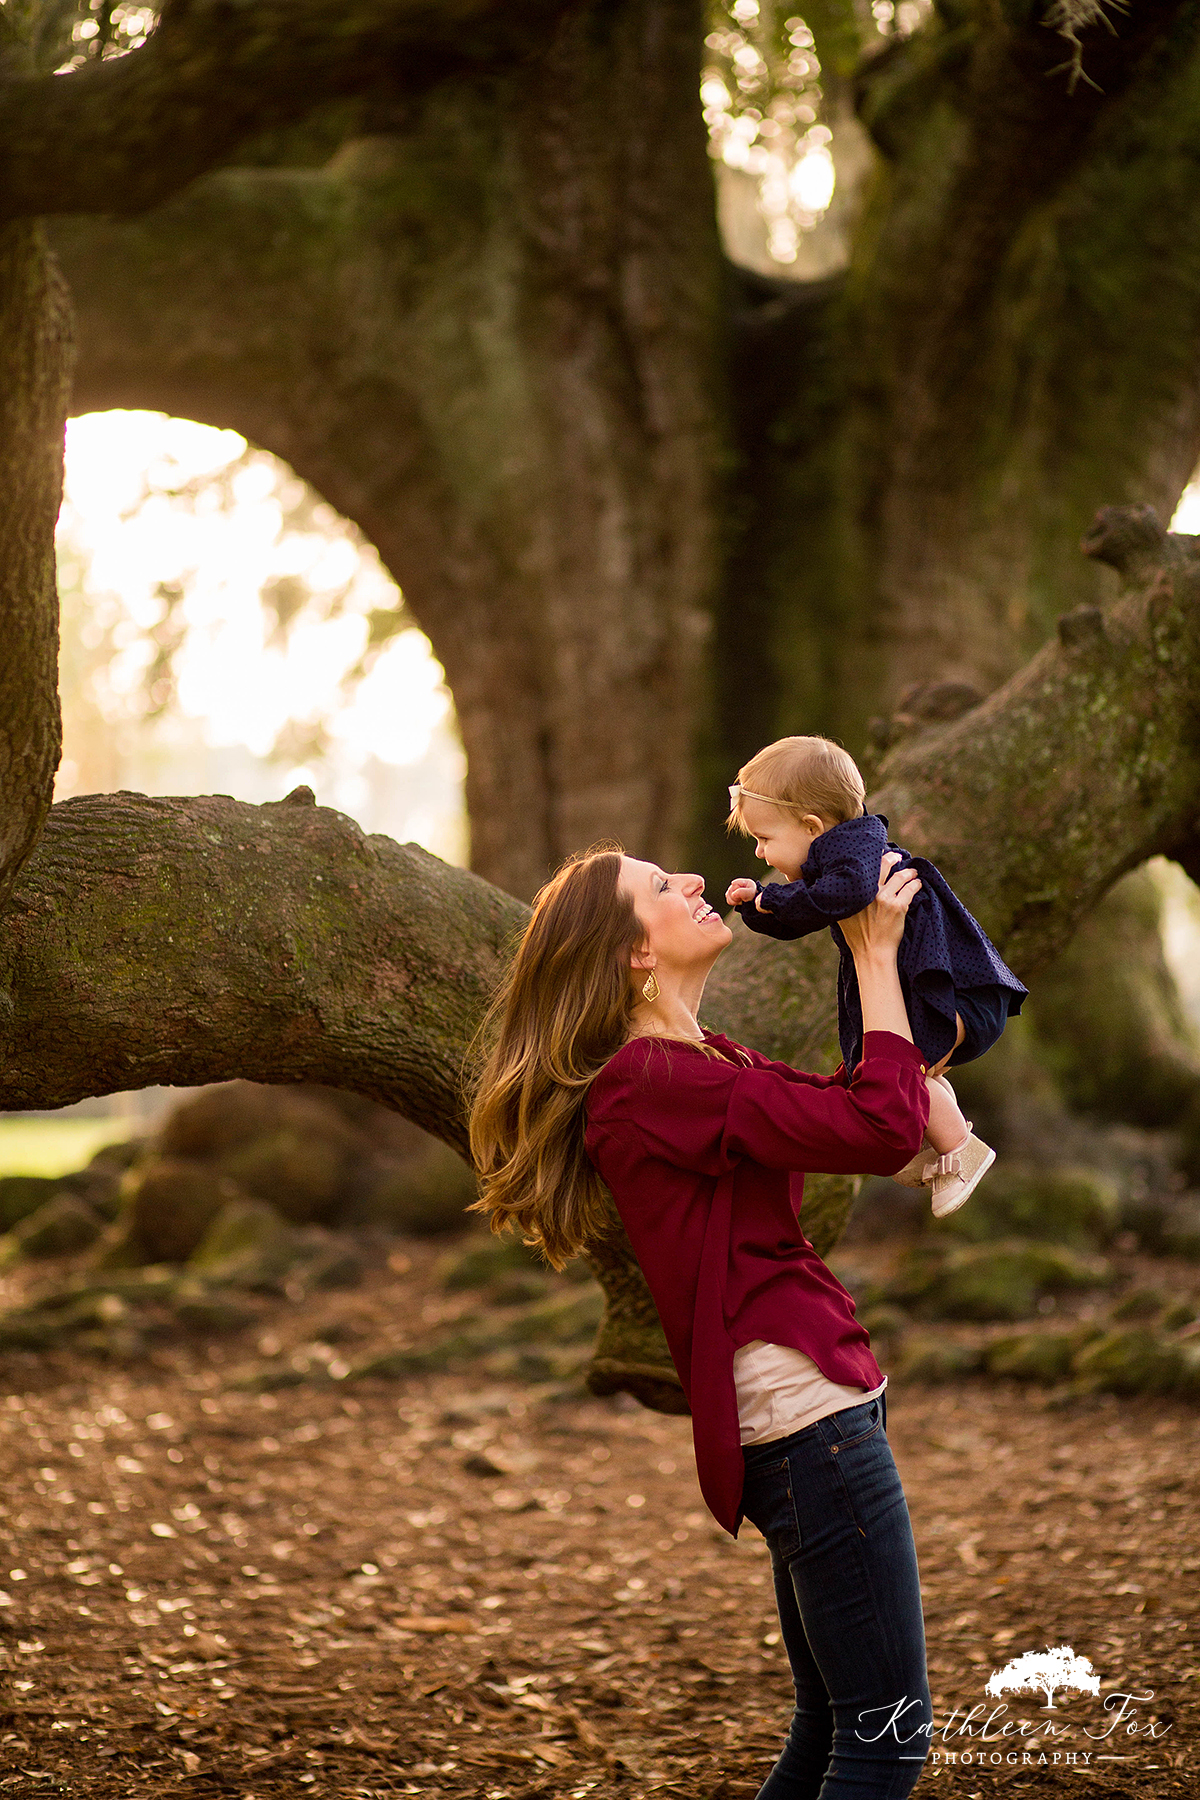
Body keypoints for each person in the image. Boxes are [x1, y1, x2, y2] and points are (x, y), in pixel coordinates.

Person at [470, 843, 934, 1799]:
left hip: (813, 1421)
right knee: (886, 1746)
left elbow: (855, 1106)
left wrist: (871, 966)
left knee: (833, 1726)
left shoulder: (699, 1059)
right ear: (635, 953)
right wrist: (877, 956)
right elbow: (883, 1131)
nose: (689, 881)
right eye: (658, 887)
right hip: (810, 1430)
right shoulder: (649, 1081)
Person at [724, 735, 1026, 1217]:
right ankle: (932, 1137)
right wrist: (760, 909)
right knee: (884, 1060)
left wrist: (770, 898)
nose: (760, 854)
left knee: (902, 1064)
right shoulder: (840, 856)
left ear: (811, 826)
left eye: (764, 839)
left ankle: (960, 1150)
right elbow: (806, 914)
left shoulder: (855, 857)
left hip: (961, 993)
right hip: (945, 992)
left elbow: (836, 898)